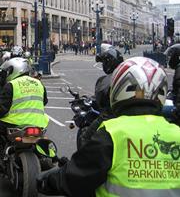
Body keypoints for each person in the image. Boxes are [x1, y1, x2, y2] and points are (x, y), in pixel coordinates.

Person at [37, 57, 180, 196]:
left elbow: (78, 177)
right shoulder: (176, 133)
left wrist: (48, 181)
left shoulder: (112, 132)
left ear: (119, 89)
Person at [0, 57, 49, 168]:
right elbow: (44, 101)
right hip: (38, 124)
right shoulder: (39, 83)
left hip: (16, 123)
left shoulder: (11, 85)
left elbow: (3, 108)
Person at [77, 44, 124, 148]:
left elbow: (100, 101)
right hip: (128, 117)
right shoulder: (127, 75)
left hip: (109, 117)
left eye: (104, 62)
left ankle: (85, 162)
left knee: (85, 137)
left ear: (108, 63)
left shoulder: (104, 81)